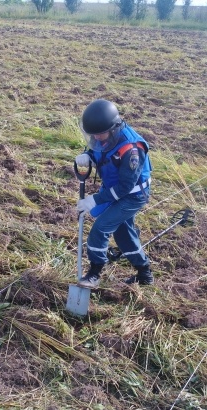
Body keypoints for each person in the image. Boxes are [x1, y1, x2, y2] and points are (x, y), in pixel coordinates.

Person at [74, 99, 153, 288]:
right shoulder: (104, 134)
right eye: (92, 135)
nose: (96, 138)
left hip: (133, 195)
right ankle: (145, 274)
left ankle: (94, 273)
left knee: (101, 228)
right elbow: (99, 150)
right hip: (114, 189)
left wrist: (95, 200)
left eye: (99, 134)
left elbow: (125, 187)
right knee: (124, 234)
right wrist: (89, 156)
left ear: (114, 127)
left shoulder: (131, 148)